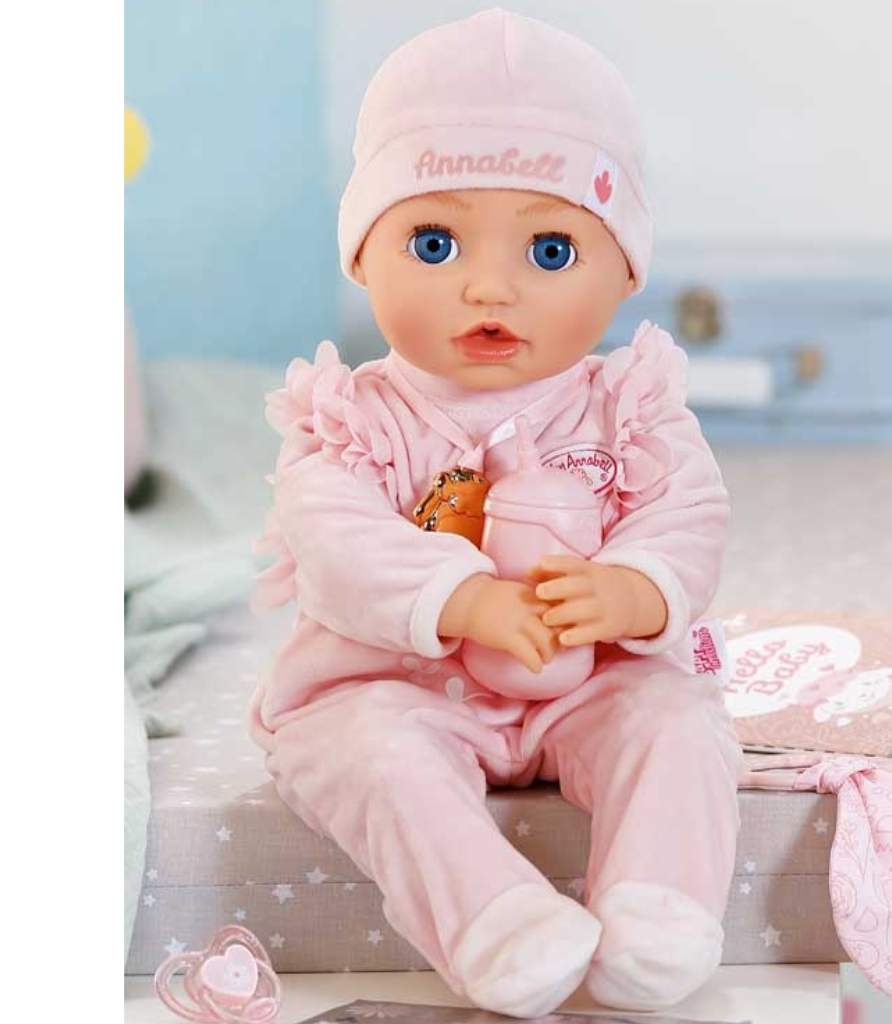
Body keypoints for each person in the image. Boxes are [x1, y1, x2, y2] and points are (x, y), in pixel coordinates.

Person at [248, 8, 743, 1018]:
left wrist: (632, 588)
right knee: (371, 755)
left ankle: (658, 909)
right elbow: (333, 539)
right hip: (396, 686)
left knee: (676, 719)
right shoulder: (355, 419)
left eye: (550, 250)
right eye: (433, 242)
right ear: (362, 255)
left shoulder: (629, 406)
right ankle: (497, 921)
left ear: (626, 268)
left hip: (583, 683)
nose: (488, 286)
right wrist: (463, 598)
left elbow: (687, 512)